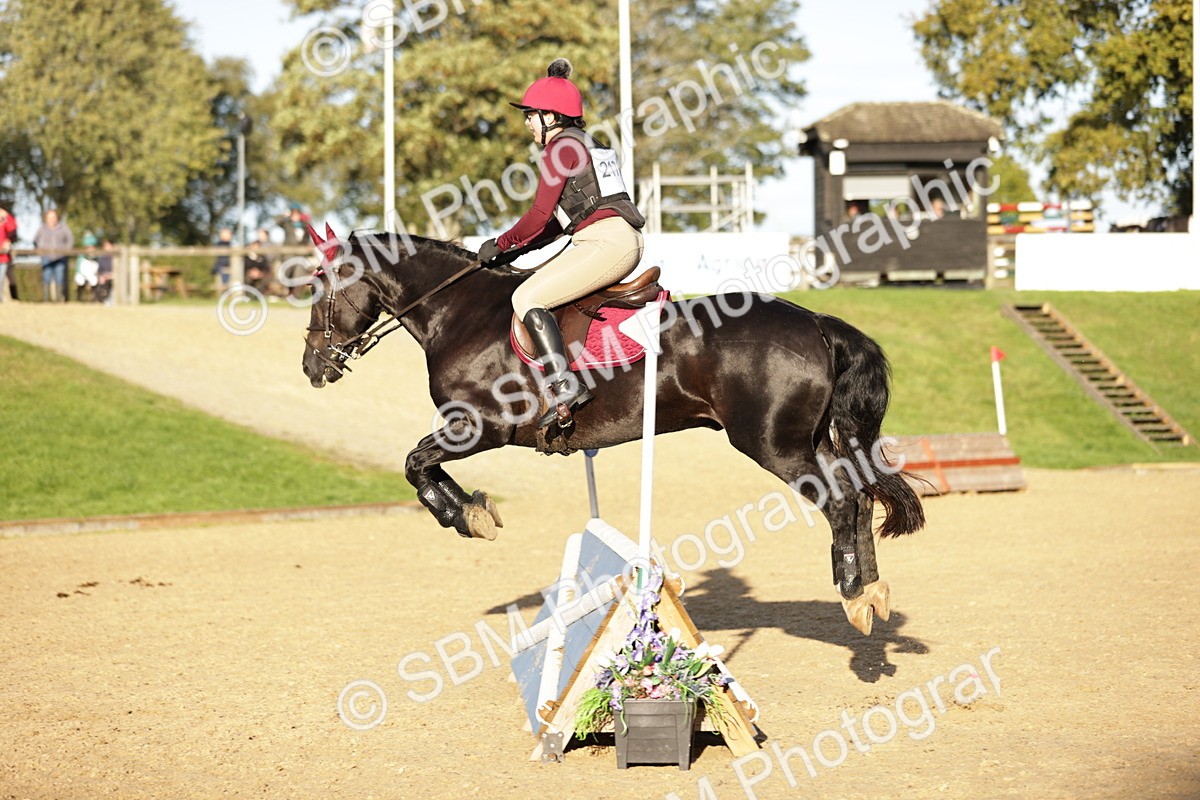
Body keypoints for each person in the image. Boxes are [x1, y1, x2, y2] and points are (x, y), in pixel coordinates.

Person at [478, 58, 646, 429]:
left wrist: (500, 242)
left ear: (550, 118)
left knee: (526, 298)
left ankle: (564, 387)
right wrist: (518, 249)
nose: (527, 123)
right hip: (616, 237)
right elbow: (561, 219)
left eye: (531, 115)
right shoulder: (588, 144)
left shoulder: (559, 149)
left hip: (605, 242)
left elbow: (539, 214)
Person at [33, 208, 73, 303]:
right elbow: (35, 240)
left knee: (60, 278)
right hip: (46, 257)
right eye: (50, 217)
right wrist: (39, 251)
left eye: (53, 217)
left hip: (60, 257)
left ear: (57, 218)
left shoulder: (63, 228)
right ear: (46, 218)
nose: (52, 219)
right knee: (46, 278)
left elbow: (70, 239)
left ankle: (59, 300)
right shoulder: (42, 228)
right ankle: (46, 300)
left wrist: (66, 251)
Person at [243, 227, 271, 294]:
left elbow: (266, 267)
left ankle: (259, 296)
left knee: (264, 280)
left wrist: (260, 273)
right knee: (247, 280)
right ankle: (248, 296)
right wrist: (251, 272)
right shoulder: (247, 257)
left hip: (260, 275)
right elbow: (245, 267)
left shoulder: (263, 257)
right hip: (249, 275)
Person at [0, 205, 16, 302]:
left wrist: (6, 215)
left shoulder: (3, 220)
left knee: (1, 279)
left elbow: (12, 227)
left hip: (3, 257)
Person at [211, 227, 233, 292]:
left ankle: (227, 291)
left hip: (228, 266)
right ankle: (225, 291)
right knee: (225, 273)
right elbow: (221, 260)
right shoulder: (219, 245)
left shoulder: (230, 244)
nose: (229, 235)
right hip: (221, 266)